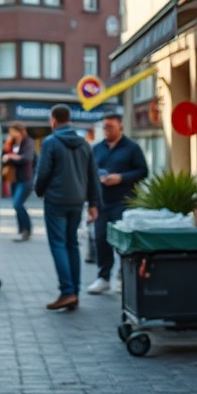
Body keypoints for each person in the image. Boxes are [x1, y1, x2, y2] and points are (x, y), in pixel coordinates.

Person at [34, 104, 100, 311]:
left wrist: (39, 190)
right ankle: (75, 292)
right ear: (69, 119)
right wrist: (93, 203)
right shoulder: (84, 143)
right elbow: (92, 176)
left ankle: (66, 292)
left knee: (58, 244)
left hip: (56, 200)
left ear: (53, 120)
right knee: (72, 245)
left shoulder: (50, 142)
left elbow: (43, 172)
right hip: (77, 201)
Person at [88, 112, 149, 295]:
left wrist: (121, 178)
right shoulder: (97, 148)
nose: (107, 131)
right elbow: (89, 172)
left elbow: (143, 171)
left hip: (124, 202)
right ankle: (103, 278)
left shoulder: (132, 148)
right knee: (101, 239)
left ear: (120, 126)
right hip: (102, 202)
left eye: (111, 127)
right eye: (105, 127)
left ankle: (123, 277)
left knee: (123, 242)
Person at [3, 124, 36, 241]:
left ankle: (27, 229)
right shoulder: (12, 143)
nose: (12, 135)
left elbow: (26, 157)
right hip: (14, 178)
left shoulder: (28, 142)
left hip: (25, 178)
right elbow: (4, 155)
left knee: (18, 204)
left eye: (14, 132)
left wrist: (11, 157)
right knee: (16, 206)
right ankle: (21, 230)